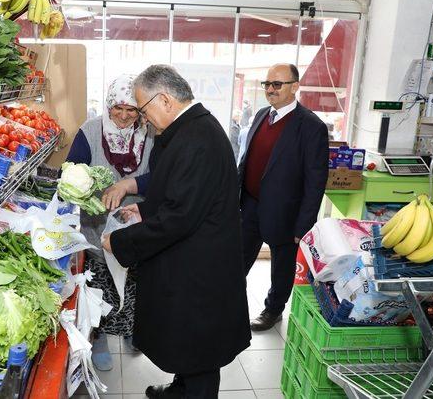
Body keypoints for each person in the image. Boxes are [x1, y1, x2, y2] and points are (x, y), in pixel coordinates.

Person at [102, 65, 250, 399]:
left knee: (200, 350)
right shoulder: (187, 129)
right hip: (191, 257)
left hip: (200, 267)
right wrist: (143, 207)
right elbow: (178, 192)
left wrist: (120, 242)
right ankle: (180, 389)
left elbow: (178, 217)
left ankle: (192, 392)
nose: (142, 118)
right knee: (188, 343)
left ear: (165, 100)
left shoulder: (198, 139)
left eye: (143, 109)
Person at [66, 74, 154, 371]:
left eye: (132, 109)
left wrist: (131, 185)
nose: (125, 115)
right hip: (96, 225)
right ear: (108, 104)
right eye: (119, 108)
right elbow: (72, 171)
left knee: (132, 280)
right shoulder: (90, 131)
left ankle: (131, 331)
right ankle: (99, 333)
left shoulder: (150, 134)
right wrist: (91, 189)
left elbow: (159, 176)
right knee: (100, 281)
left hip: (135, 223)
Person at [237, 63, 328, 331]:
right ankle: (227, 303)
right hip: (251, 204)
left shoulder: (311, 126)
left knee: (281, 268)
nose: (270, 90)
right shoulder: (262, 115)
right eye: (267, 84)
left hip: (286, 212)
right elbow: (247, 159)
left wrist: (304, 225)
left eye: (277, 84)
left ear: (295, 86)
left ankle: (273, 310)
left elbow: (315, 182)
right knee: (236, 260)